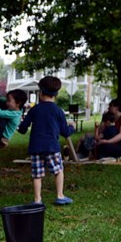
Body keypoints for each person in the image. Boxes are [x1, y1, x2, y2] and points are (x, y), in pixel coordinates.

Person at [16, 76, 75, 206]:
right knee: (58, 170)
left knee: (37, 174)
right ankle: (60, 195)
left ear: (41, 93)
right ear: (56, 95)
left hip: (36, 148)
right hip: (52, 147)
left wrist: (17, 124)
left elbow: (22, 129)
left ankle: (37, 200)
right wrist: (72, 127)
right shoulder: (58, 111)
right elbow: (65, 132)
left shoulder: (34, 110)